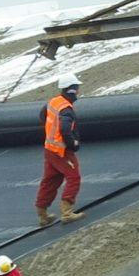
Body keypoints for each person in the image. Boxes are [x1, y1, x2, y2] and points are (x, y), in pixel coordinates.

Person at [35, 73, 84, 227]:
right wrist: (73, 144)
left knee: (50, 180)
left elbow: (43, 115)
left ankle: (42, 215)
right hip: (61, 151)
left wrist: (50, 131)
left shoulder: (53, 102)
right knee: (73, 177)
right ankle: (67, 213)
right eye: (77, 88)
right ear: (73, 89)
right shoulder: (66, 109)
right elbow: (65, 128)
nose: (78, 91)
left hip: (49, 149)